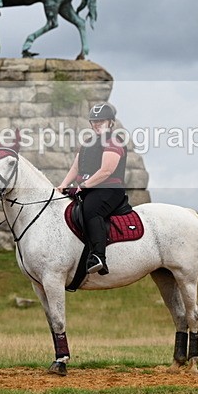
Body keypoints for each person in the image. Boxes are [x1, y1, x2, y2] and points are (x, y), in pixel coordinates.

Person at [56, 103, 127, 275]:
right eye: (94, 121)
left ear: (110, 122)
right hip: (87, 189)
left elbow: (106, 171)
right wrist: (63, 185)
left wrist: (82, 186)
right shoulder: (87, 143)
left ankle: (98, 256)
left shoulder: (114, 142)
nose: (97, 124)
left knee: (90, 210)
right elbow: (76, 168)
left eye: (101, 121)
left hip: (109, 189)